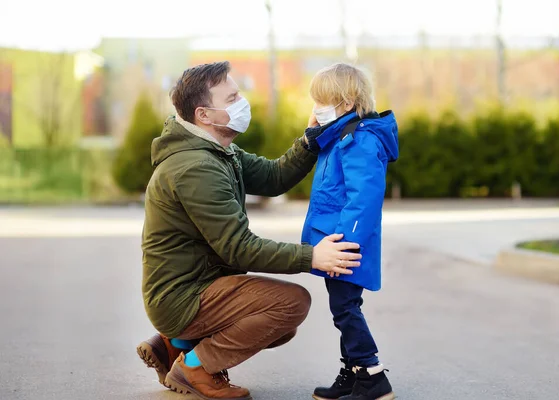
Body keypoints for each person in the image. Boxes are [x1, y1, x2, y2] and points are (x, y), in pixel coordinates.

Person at [137, 61, 363, 400]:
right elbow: (239, 248)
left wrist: (309, 141)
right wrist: (312, 256)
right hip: (181, 297)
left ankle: (175, 345)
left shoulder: (217, 151)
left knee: (277, 325)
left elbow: (273, 178)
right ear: (204, 114)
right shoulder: (196, 167)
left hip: (193, 286)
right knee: (290, 305)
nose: (243, 102)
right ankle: (195, 365)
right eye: (232, 98)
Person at [300, 63, 399, 400]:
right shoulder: (339, 137)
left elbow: (365, 199)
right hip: (336, 244)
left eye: (323, 100)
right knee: (342, 307)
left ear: (348, 101)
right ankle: (353, 373)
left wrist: (346, 244)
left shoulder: (359, 140)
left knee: (345, 309)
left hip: (344, 245)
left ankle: (371, 376)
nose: (316, 108)